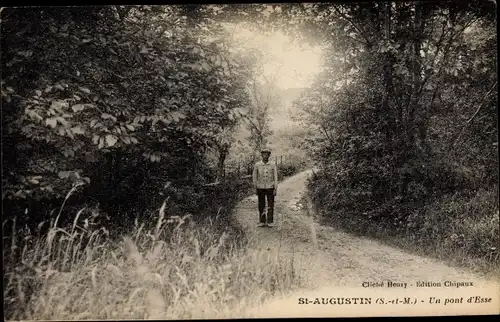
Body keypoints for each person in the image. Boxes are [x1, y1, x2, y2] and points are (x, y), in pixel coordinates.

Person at [252, 148, 278, 227]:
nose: (265, 156)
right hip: (260, 187)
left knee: (270, 204)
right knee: (261, 204)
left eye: (267, 154)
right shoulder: (257, 165)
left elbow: (275, 177)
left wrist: (275, 188)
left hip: (270, 187)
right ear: (262, 155)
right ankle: (262, 221)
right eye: (264, 154)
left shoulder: (273, 165)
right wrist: (255, 187)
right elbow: (254, 177)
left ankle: (270, 221)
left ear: (269, 155)